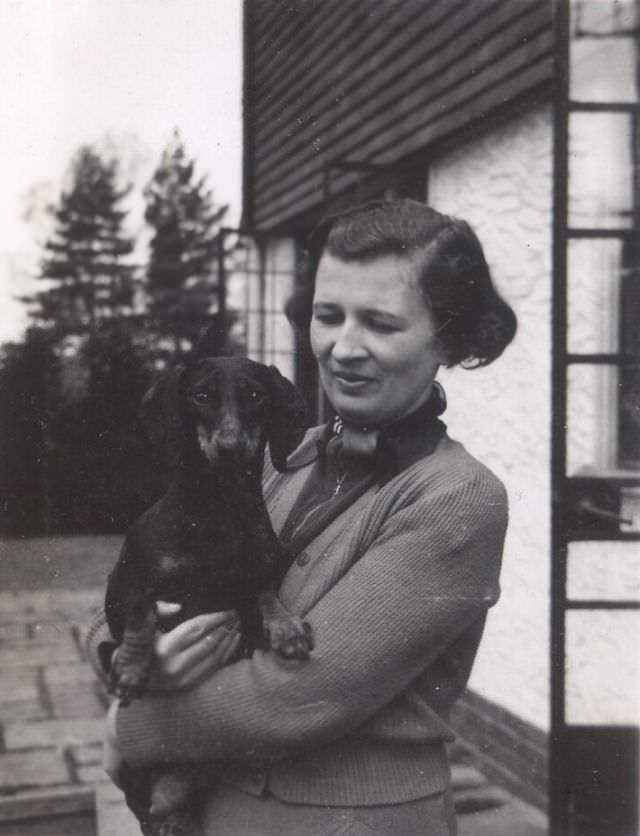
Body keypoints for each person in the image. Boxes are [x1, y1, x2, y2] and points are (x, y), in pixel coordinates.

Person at [87, 199, 517, 836]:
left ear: (448, 336)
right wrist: (127, 655)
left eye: (380, 323)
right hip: (208, 810)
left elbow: (300, 696)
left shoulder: (456, 499)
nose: (344, 348)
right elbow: (137, 580)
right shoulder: (279, 457)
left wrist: (128, 728)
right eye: (328, 315)